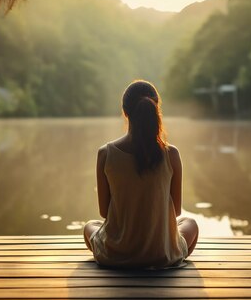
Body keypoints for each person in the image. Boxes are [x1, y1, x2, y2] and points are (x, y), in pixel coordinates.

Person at [83, 80, 198, 268]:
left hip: (116, 255)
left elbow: (104, 212)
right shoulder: (172, 154)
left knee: (90, 226)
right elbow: (176, 211)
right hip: (161, 255)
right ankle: (168, 252)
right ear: (156, 109)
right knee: (190, 223)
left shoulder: (106, 153)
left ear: (125, 112)